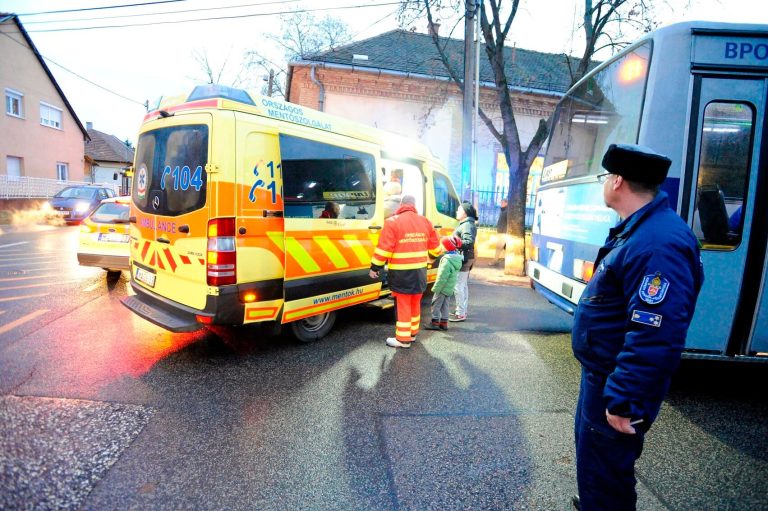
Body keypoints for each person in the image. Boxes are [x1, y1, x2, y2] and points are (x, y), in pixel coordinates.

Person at [571, 144, 704, 511]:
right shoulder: (641, 230)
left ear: (617, 181)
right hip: (604, 373)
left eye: (604, 177)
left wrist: (625, 399)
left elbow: (656, 332)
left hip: (616, 381)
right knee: (595, 459)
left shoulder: (658, 243)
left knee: (608, 468)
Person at [369, 194, 441, 348]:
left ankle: (403, 339)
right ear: (414, 205)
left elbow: (384, 249)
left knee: (403, 304)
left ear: (401, 204)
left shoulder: (392, 222)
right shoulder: (426, 221)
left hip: (401, 273)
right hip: (420, 272)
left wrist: (375, 267)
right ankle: (412, 334)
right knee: (415, 302)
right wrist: (430, 258)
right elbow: (436, 249)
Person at [425, 235, 463, 331]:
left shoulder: (446, 260)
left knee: (436, 304)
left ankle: (434, 323)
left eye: (442, 245)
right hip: (449, 287)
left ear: (447, 247)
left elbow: (442, 277)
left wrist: (436, 288)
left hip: (442, 287)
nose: (441, 247)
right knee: (445, 305)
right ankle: (444, 323)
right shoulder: (456, 258)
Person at [450, 201, 478, 322]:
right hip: (466, 257)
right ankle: (462, 310)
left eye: (459, 210)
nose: (457, 211)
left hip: (464, 258)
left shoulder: (467, 225)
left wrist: (454, 242)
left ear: (465, 213)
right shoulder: (467, 224)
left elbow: (468, 241)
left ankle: (460, 313)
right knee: (463, 285)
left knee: (458, 286)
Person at [491, 198, 508, 267]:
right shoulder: (503, 210)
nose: (501, 204)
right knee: (505, 248)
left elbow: (508, 223)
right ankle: (507, 262)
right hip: (501, 232)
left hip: (503, 233)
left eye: (502, 203)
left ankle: (495, 261)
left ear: (506, 203)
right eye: (501, 203)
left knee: (498, 248)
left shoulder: (507, 211)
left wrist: (505, 232)